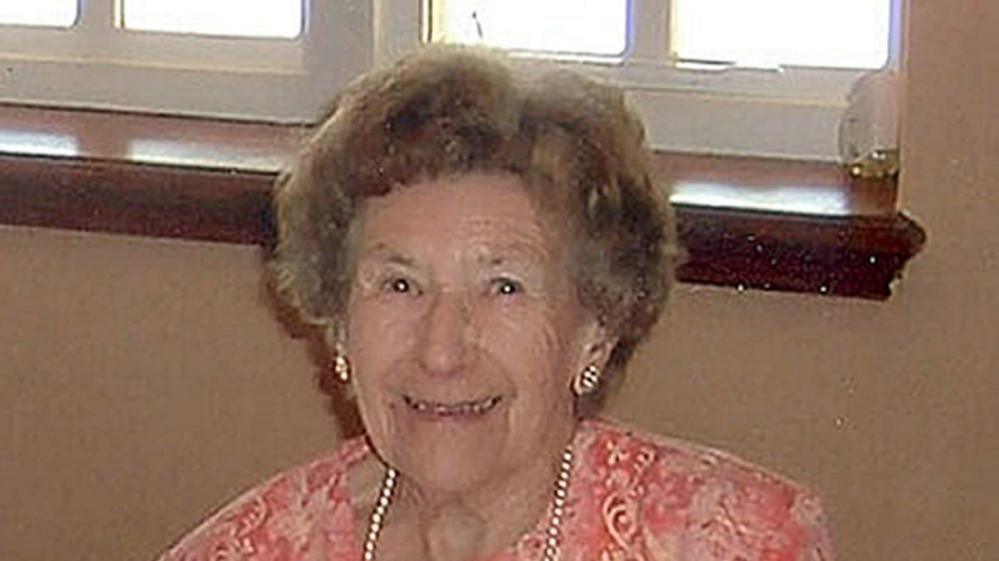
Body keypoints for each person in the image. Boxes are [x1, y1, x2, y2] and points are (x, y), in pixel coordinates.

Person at [157, 46, 834, 561]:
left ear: (594, 329)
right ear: (338, 325)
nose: (441, 350)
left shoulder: (732, 539)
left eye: (504, 286)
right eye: (399, 284)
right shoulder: (254, 547)